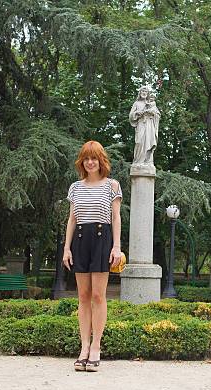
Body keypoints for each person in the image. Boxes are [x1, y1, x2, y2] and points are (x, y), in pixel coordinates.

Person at [63, 140, 123, 372]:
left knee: (98, 296)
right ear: (82, 161)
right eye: (86, 158)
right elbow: (72, 219)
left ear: (101, 161)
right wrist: (66, 248)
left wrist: (116, 247)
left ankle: (96, 346)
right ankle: (84, 347)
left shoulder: (112, 185)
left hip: (101, 238)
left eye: (94, 158)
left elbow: (116, 217)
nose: (90, 162)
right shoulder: (75, 188)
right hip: (79, 240)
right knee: (83, 296)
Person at [129, 86, 160, 165]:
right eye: (142, 91)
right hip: (141, 124)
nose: (144, 93)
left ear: (148, 94)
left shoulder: (150, 103)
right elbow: (131, 115)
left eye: (146, 92)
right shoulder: (136, 103)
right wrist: (136, 113)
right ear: (140, 93)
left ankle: (147, 161)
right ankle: (138, 161)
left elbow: (157, 114)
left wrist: (153, 113)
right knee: (139, 142)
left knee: (149, 142)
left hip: (149, 125)